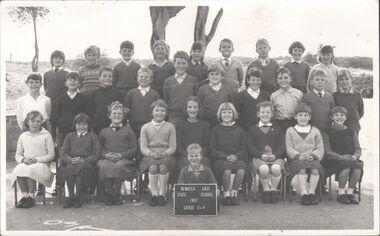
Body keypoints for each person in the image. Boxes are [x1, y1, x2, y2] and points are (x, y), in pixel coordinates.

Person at [98, 101, 138, 206]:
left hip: (124, 159)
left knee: (119, 166)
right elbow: (99, 148)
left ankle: (117, 193)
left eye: (119, 114)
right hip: (108, 158)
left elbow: (134, 148)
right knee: (103, 165)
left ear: (124, 116)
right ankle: (110, 193)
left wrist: (122, 155)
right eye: (114, 113)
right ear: (109, 116)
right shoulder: (103, 132)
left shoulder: (129, 131)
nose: (117, 115)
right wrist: (106, 155)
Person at [12, 110, 55, 208]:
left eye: (38, 121)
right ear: (27, 122)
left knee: (31, 170)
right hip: (27, 162)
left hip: (42, 164)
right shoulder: (23, 136)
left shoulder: (46, 135)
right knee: (19, 170)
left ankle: (31, 197)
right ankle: (25, 196)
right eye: (33, 121)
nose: (35, 123)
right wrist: (23, 160)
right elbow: (17, 155)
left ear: (41, 122)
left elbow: (51, 155)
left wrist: (37, 160)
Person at [58, 113, 101, 208]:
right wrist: (70, 160)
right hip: (72, 162)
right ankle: (71, 196)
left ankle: (77, 197)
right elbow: (64, 153)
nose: (81, 127)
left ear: (88, 125)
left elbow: (97, 153)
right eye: (79, 124)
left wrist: (84, 160)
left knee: (80, 171)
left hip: (86, 164)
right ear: (75, 125)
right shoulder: (69, 136)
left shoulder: (93, 136)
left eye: (84, 124)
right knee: (71, 170)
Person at [322, 106, 363, 204]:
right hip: (334, 160)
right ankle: (341, 193)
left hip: (350, 158)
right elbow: (327, 150)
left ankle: (349, 193)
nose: (339, 117)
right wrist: (340, 157)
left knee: (357, 168)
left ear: (346, 117)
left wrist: (355, 156)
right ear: (331, 117)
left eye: (342, 115)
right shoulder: (327, 132)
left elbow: (358, 148)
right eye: (336, 115)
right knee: (346, 168)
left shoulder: (351, 131)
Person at [246, 101, 285, 204]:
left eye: (268, 112)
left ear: (272, 114)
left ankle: (273, 190)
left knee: (276, 168)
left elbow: (282, 145)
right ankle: (266, 191)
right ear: (258, 114)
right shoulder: (253, 129)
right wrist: (260, 155)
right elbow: (250, 146)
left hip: (275, 157)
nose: (265, 114)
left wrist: (275, 155)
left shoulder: (277, 129)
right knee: (263, 169)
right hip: (259, 158)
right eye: (263, 112)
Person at [139, 99, 176, 206]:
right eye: (157, 110)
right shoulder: (145, 127)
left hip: (166, 155)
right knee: (153, 167)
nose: (159, 113)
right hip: (150, 155)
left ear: (166, 112)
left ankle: (162, 194)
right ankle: (154, 194)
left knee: (163, 167)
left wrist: (165, 153)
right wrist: (151, 154)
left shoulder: (170, 126)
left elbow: (173, 147)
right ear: (152, 112)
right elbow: (143, 147)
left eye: (163, 110)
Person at [286, 103, 324, 205]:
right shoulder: (290, 131)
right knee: (301, 168)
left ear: (310, 117)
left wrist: (313, 155)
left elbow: (320, 148)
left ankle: (311, 193)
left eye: (306, 115)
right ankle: (304, 194)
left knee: (315, 169)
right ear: (295, 116)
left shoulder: (315, 131)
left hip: (312, 158)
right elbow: (289, 148)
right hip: (297, 159)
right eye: (300, 115)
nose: (303, 118)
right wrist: (298, 155)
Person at [210, 102, 246, 206]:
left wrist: (237, 156)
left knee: (241, 170)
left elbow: (243, 148)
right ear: (220, 114)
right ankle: (226, 194)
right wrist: (225, 157)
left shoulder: (239, 130)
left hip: (236, 158)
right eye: (224, 112)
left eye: (229, 112)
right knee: (227, 171)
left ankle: (234, 194)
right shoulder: (215, 129)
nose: (227, 115)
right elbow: (212, 149)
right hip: (221, 159)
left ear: (233, 114)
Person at [174, 96, 211, 182]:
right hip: (185, 156)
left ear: (199, 108)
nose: (192, 110)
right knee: (184, 164)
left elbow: (206, 145)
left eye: (195, 107)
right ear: (186, 109)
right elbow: (178, 147)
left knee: (205, 164)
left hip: (201, 156)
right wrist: (189, 156)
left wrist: (199, 156)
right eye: (189, 107)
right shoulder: (180, 124)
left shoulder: (205, 125)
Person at [52, 72, 90, 153]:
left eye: (75, 80)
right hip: (63, 133)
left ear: (79, 83)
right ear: (65, 83)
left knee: (77, 153)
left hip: (79, 132)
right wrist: (54, 136)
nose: (72, 82)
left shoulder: (84, 99)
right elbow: (55, 118)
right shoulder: (60, 99)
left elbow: (87, 118)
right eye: (70, 80)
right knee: (64, 153)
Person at [124, 67, 161, 140]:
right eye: (141, 76)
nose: (143, 78)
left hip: (150, 126)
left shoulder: (155, 94)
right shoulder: (131, 93)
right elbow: (127, 110)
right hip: (134, 126)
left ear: (151, 80)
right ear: (137, 78)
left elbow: (158, 111)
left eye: (146, 77)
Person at [163, 51, 198, 128]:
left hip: (189, 116)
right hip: (173, 117)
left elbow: (196, 99)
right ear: (174, 64)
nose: (181, 66)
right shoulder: (168, 81)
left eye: (184, 63)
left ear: (188, 64)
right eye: (178, 63)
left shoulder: (193, 80)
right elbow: (166, 100)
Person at [43, 50, 69, 141]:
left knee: (62, 129)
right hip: (51, 105)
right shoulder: (47, 74)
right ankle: (53, 150)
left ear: (63, 61)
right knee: (51, 128)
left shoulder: (66, 74)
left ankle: (62, 150)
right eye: (55, 58)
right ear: (52, 60)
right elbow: (46, 88)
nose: (58, 60)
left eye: (60, 58)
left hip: (63, 105)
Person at [89, 66, 123, 135]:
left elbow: (122, 111)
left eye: (109, 76)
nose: (107, 78)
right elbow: (90, 111)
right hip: (98, 127)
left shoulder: (118, 94)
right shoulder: (94, 93)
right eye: (104, 76)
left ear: (113, 78)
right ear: (99, 78)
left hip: (114, 126)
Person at [235, 67, 270, 131]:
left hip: (261, 131)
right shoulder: (240, 96)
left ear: (261, 81)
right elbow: (237, 115)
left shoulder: (266, 96)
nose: (255, 82)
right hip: (245, 131)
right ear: (248, 80)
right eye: (253, 80)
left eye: (258, 80)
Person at [270, 67, 303, 133]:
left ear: (290, 79)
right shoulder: (273, 96)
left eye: (286, 78)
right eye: (280, 78)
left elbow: (302, 110)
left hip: (294, 122)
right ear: (276, 80)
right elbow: (272, 113)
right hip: (279, 123)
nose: (283, 80)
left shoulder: (298, 93)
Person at [333, 69, 364, 134]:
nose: (344, 81)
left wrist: (354, 119)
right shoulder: (335, 95)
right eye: (341, 79)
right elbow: (333, 111)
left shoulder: (357, 95)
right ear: (338, 81)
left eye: (347, 79)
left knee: (354, 143)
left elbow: (361, 112)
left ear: (351, 79)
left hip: (354, 126)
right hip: (339, 127)